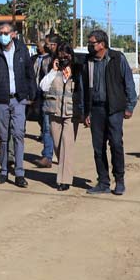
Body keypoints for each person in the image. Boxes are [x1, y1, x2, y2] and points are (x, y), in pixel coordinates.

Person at [82, 29, 138, 195]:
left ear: (102, 44)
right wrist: (86, 112)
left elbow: (129, 83)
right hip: (96, 109)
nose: (89, 46)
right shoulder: (88, 61)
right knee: (98, 148)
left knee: (115, 144)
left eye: (92, 43)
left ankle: (119, 180)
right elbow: (85, 88)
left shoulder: (117, 58)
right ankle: (103, 182)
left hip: (114, 109)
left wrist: (130, 106)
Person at [0, 22, 37, 188]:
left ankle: (19, 173)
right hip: (1, 100)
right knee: (4, 137)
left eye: (6, 32)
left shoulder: (22, 51)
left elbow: (30, 74)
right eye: (0, 33)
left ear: (13, 34)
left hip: (19, 99)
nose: (2, 35)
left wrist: (32, 95)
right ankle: (4, 170)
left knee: (19, 134)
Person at [39, 43, 84, 191]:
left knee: (67, 146)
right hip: (54, 113)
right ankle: (65, 173)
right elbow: (43, 86)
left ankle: (64, 180)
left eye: (66, 55)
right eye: (60, 55)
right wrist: (54, 70)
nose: (63, 58)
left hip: (71, 114)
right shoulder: (53, 70)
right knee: (58, 146)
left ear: (71, 56)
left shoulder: (78, 71)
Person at [31, 34, 59, 168]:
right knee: (46, 127)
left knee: (58, 130)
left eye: (47, 44)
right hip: (42, 95)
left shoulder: (59, 58)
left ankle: (61, 155)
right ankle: (47, 156)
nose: (45, 46)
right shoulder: (35, 59)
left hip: (58, 98)